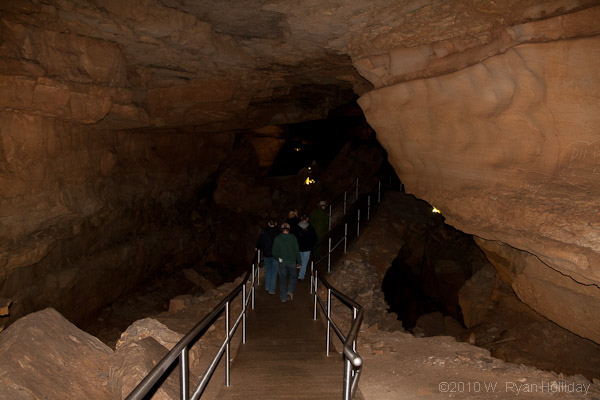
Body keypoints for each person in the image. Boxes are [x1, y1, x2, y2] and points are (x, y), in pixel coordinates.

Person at [272, 222, 301, 303]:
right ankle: (290, 291)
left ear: (281, 229)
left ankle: (283, 298)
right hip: (292, 262)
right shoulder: (293, 238)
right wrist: (299, 262)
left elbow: (274, 252)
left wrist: (278, 258)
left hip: (282, 262)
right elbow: (297, 251)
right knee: (293, 277)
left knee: (282, 279)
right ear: (289, 229)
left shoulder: (277, 238)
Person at [255, 219, 279, 295]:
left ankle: (267, 287)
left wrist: (257, 247)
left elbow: (260, 242)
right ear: (275, 224)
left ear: (268, 224)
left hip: (266, 254)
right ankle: (271, 290)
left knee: (268, 271)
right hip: (275, 255)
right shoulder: (278, 233)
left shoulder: (264, 233)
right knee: (274, 272)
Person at [295, 214, 317, 280]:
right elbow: (314, 238)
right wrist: (311, 245)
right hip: (307, 248)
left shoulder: (296, 228)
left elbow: (294, 237)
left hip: (298, 247)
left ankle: (297, 273)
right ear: (307, 219)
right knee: (304, 261)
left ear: (301, 218)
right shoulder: (310, 228)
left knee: (299, 260)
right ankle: (301, 275)